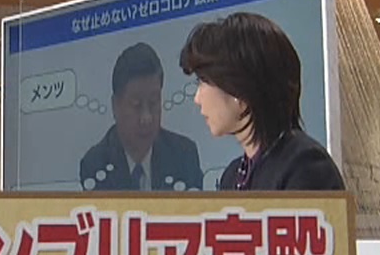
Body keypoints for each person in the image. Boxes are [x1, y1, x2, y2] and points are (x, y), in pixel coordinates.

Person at [178, 12, 344, 192]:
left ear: (238, 89)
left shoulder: (305, 167)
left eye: (203, 81)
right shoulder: (231, 176)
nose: (197, 99)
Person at [79, 42, 203, 191]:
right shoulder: (96, 163)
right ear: (115, 106)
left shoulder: (184, 155)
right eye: (136, 105)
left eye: (153, 102)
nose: (146, 118)